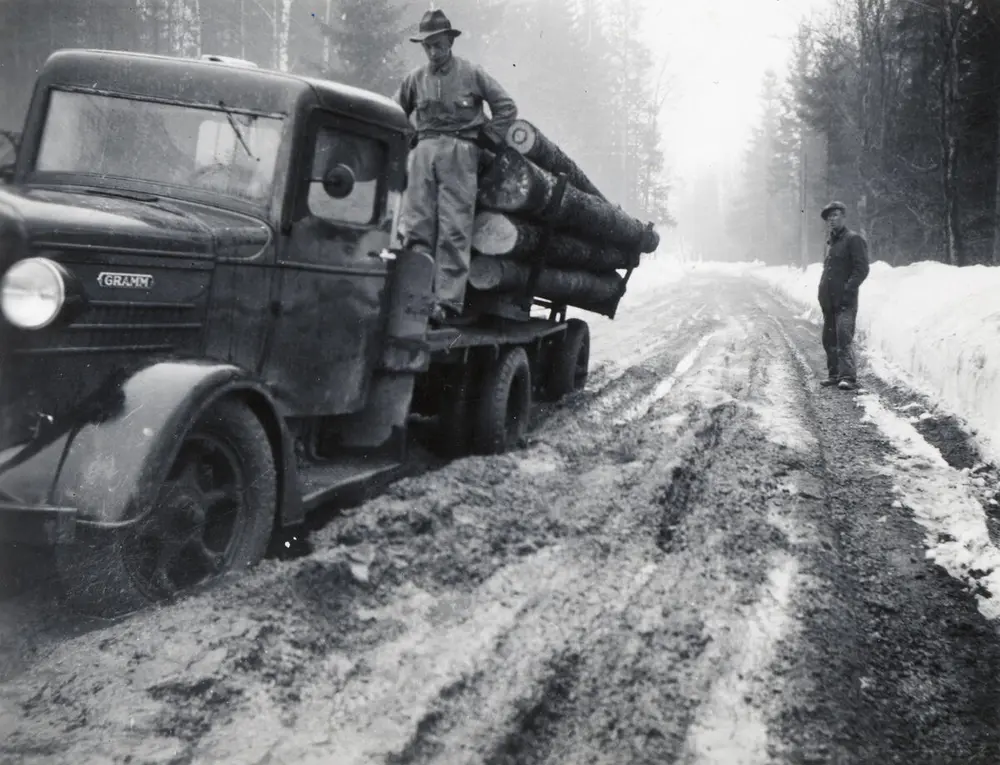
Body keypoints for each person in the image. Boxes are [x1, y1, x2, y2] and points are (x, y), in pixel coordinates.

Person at [394, 9, 518, 325]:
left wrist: (486, 139)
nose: (433, 51)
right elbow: (393, 112)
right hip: (423, 153)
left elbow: (505, 107)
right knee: (417, 224)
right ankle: (415, 297)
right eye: (427, 46)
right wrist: (412, 141)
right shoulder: (414, 79)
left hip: (461, 153)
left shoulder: (472, 73)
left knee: (454, 227)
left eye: (438, 44)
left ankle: (447, 304)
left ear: (449, 41)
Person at [817, 201, 870, 391]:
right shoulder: (831, 242)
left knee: (843, 338)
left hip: (845, 301)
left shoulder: (853, 239)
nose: (832, 219)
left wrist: (848, 291)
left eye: (836, 215)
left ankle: (848, 377)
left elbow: (862, 269)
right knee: (828, 339)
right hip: (829, 301)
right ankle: (834, 375)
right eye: (829, 217)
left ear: (843, 217)